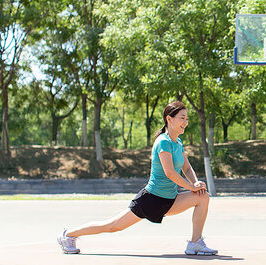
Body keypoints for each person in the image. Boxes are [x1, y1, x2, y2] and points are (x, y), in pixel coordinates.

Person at [57, 101, 217, 256]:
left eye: (187, 118)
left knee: (203, 197)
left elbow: (187, 168)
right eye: (182, 118)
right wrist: (191, 187)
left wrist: (196, 183)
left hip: (170, 200)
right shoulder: (163, 142)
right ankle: (68, 235)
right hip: (151, 200)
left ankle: (195, 243)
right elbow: (170, 173)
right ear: (169, 119)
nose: (186, 122)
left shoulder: (178, 143)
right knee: (113, 226)